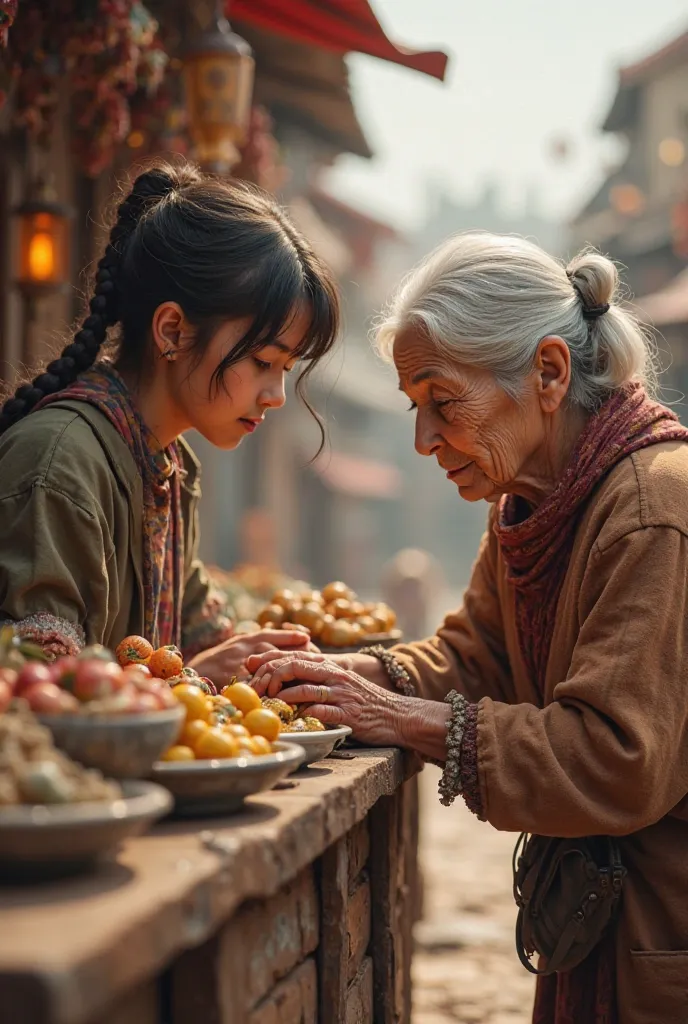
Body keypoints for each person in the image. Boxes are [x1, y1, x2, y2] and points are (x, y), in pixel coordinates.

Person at [249, 233, 688, 1023]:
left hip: (664, 931)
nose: (423, 441)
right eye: (415, 409)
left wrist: (403, 720)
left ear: (549, 374)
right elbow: (475, 653)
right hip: (604, 929)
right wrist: (356, 677)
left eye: (443, 403)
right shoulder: (527, 502)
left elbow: (614, 757)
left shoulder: (654, 511)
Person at [0, 160, 339, 681]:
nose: (276, 396)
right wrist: (195, 674)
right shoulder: (61, 465)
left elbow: (198, 626)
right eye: (263, 362)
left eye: (287, 370)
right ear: (173, 331)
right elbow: (43, 693)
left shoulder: (169, 465)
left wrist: (266, 655)